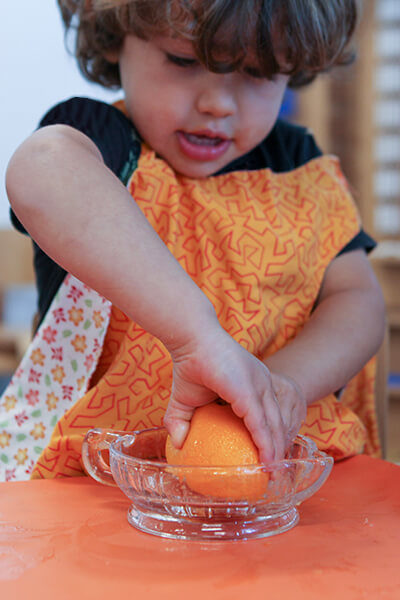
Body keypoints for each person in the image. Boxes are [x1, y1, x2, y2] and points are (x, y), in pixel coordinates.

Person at [2, 0, 385, 481]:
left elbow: (358, 301)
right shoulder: (102, 144)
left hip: (278, 472)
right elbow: (42, 167)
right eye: (183, 61)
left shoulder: (299, 162)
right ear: (117, 35)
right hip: (98, 481)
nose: (218, 104)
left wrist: (282, 384)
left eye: (259, 73)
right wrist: (196, 339)